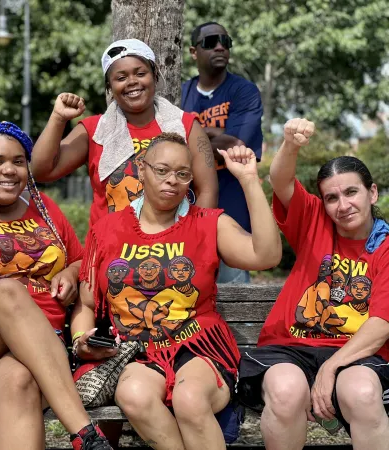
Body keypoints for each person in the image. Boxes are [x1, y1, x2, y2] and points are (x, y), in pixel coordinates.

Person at [71, 132, 281, 450]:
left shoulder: (208, 223)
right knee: (133, 395)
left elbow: (266, 256)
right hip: (137, 353)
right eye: (162, 170)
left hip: (199, 345)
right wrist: (81, 340)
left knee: (190, 398)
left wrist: (250, 181)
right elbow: (87, 304)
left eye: (182, 174)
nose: (173, 180)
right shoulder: (107, 230)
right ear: (142, 169)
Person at [0, 121, 114, 450]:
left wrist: (69, 273)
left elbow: (82, 260)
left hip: (37, 353)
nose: (9, 170)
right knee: (8, 291)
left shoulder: (46, 210)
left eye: (18, 161)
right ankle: (84, 432)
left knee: (18, 381)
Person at [238, 118, 389, 450]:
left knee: (362, 393)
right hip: (290, 347)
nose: (343, 205)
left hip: (356, 355)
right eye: (331, 197)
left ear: (372, 192)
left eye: (351, 192)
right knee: (286, 391)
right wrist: (291, 143)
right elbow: (280, 180)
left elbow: (380, 323)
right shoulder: (315, 220)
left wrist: (331, 368)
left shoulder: (386, 247)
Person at [31, 38, 219, 228]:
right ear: (109, 87)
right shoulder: (95, 131)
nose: (132, 82)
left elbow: (207, 191)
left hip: (172, 249)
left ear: (154, 75)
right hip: (110, 251)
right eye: (121, 78)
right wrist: (58, 118)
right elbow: (40, 171)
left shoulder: (185, 125)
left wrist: (193, 239)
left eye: (140, 73)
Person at [181, 22, 264, 284]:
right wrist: (215, 134)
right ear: (194, 52)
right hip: (188, 207)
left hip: (234, 209)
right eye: (210, 42)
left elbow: (235, 146)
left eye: (225, 42)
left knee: (233, 290)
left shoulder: (244, 91)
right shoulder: (180, 94)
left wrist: (193, 135)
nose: (219, 47)